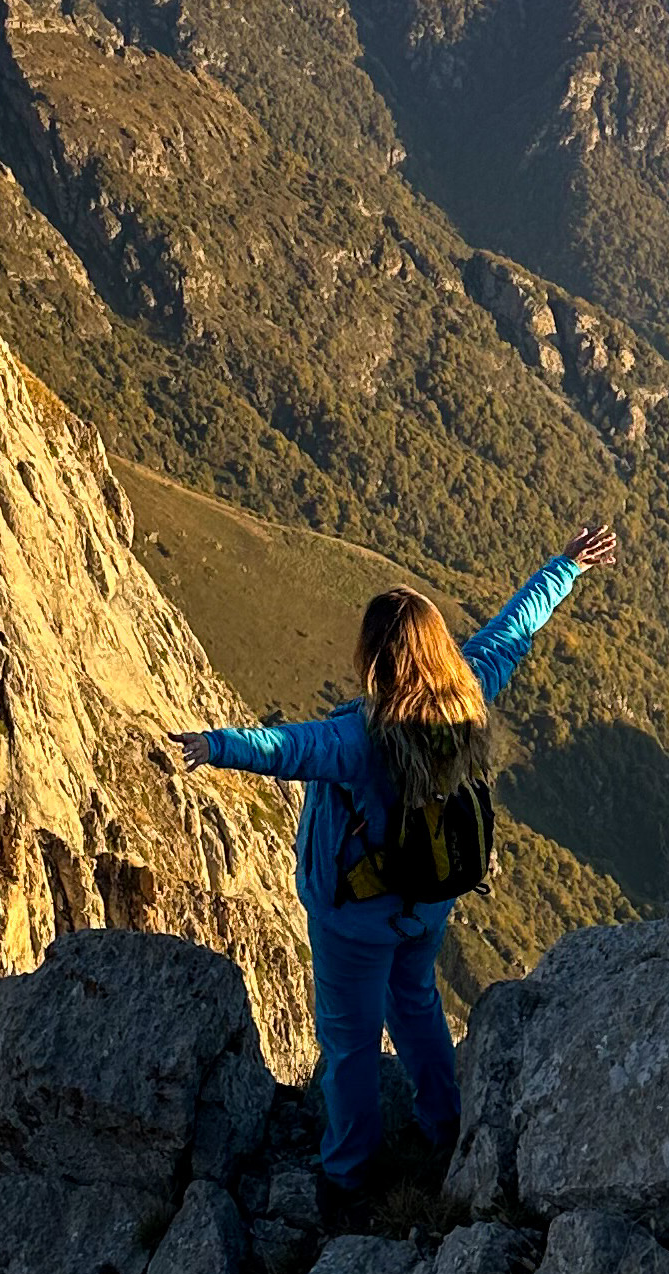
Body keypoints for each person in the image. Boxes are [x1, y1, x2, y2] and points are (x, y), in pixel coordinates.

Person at [172, 522, 618, 1225]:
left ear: (374, 657)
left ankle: (349, 1172)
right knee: (415, 1004)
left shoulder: (359, 738)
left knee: (349, 1041)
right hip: (427, 905)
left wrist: (214, 745)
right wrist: (565, 568)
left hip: (354, 920)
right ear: (436, 649)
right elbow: (512, 630)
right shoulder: (467, 698)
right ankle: (444, 1126)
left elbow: (287, 748)